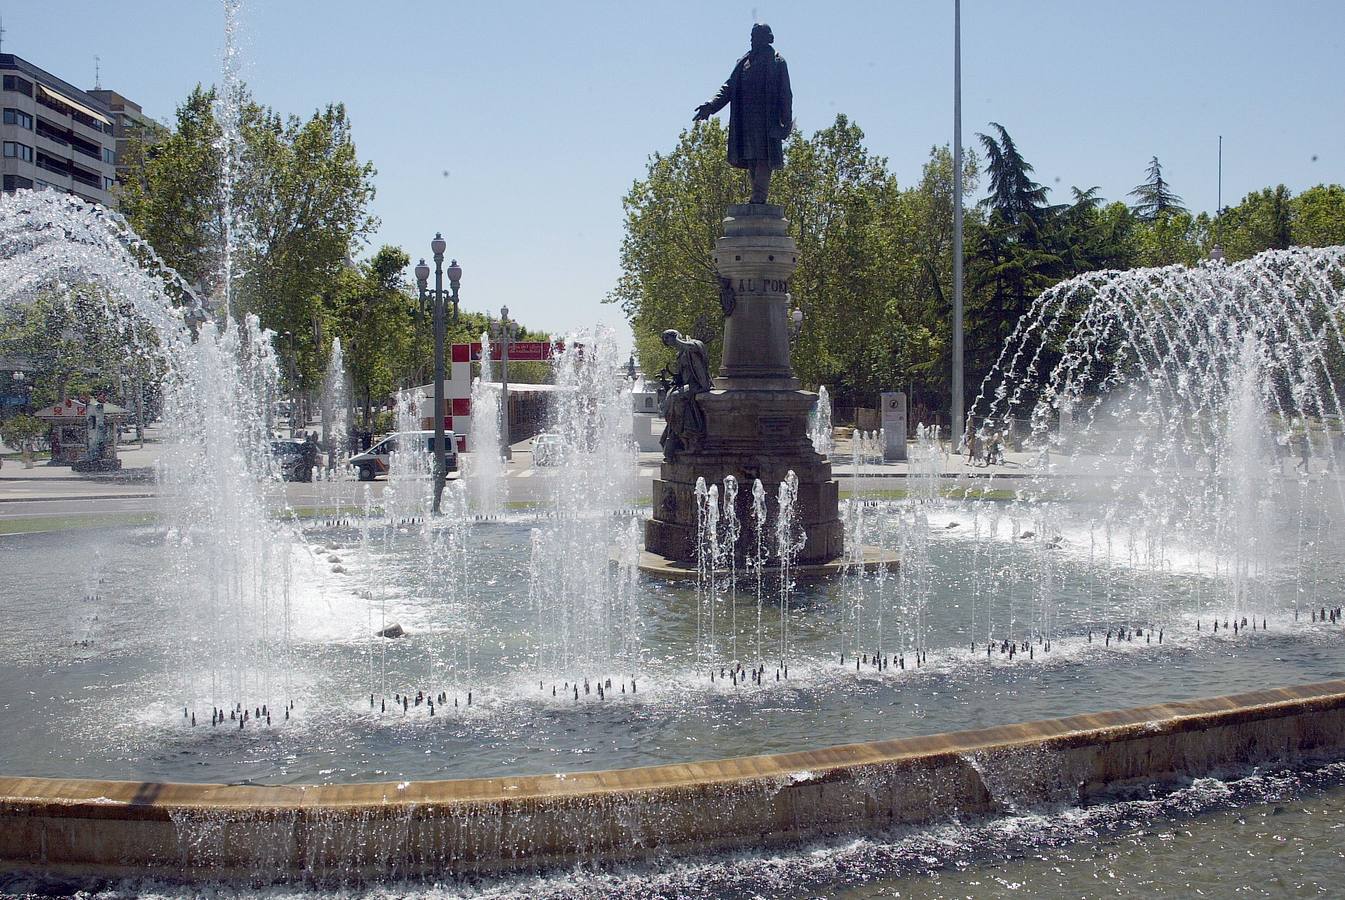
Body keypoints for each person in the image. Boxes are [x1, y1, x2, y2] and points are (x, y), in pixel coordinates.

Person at [693, 23, 793, 205]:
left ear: (767, 38)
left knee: (764, 156)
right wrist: (710, 105)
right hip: (746, 120)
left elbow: (785, 93)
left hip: (766, 119)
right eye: (752, 36)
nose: (752, 40)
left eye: (756, 36)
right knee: (751, 157)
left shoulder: (777, 62)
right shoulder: (744, 62)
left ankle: (759, 195)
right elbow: (728, 87)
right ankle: (757, 194)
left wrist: (786, 122)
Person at [658, 329, 712, 460]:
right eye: (665, 340)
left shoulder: (692, 344)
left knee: (677, 398)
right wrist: (668, 381)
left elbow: (696, 348)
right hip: (686, 385)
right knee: (668, 400)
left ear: (675, 336)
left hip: (697, 384)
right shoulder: (680, 353)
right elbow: (682, 376)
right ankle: (677, 434)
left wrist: (678, 340)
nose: (668, 342)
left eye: (668, 339)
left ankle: (690, 434)